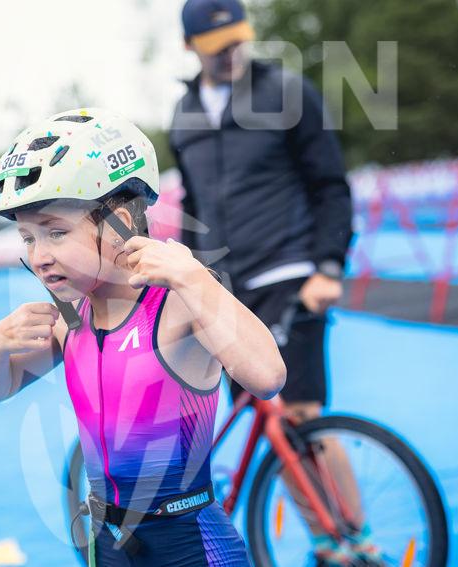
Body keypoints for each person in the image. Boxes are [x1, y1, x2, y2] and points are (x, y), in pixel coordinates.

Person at [0, 108, 286, 566]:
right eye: (28, 238)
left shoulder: (175, 304)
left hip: (191, 545)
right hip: (108, 543)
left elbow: (268, 376)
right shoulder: (69, 320)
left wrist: (194, 279)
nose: (39, 256)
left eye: (56, 232)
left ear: (117, 223)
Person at [169, 2, 384, 564]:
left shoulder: (288, 92)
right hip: (224, 291)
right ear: (190, 46)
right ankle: (326, 545)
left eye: (237, 39)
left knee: (303, 414)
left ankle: (358, 538)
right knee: (267, 421)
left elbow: (330, 185)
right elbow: (192, 204)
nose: (231, 52)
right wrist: (188, 279)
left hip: (290, 275)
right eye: (216, 45)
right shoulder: (183, 114)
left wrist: (328, 266)